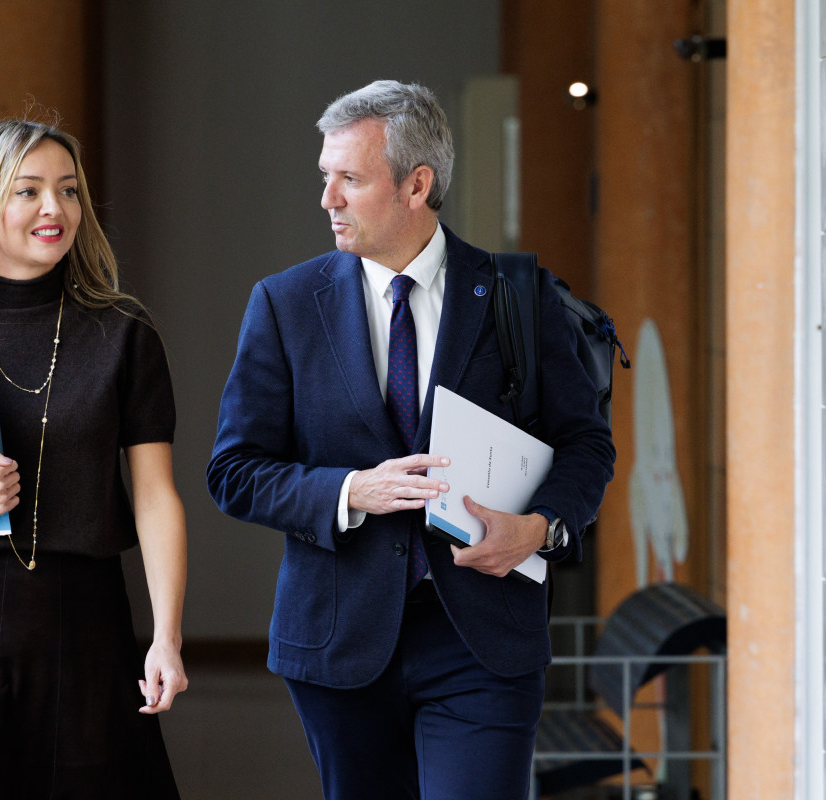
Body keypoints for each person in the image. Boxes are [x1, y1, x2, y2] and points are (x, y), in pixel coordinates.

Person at [206, 80, 615, 799]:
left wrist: (539, 529)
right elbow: (235, 470)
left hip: (482, 639)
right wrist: (346, 491)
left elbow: (586, 444)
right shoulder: (284, 304)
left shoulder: (518, 297)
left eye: (349, 180)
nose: (326, 198)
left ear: (415, 184)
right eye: (324, 178)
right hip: (337, 643)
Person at [0, 118, 187, 799]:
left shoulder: (122, 333)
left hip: (86, 621)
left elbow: (156, 496)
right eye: (29, 191)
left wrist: (165, 636)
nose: (56, 209)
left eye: (69, 191)